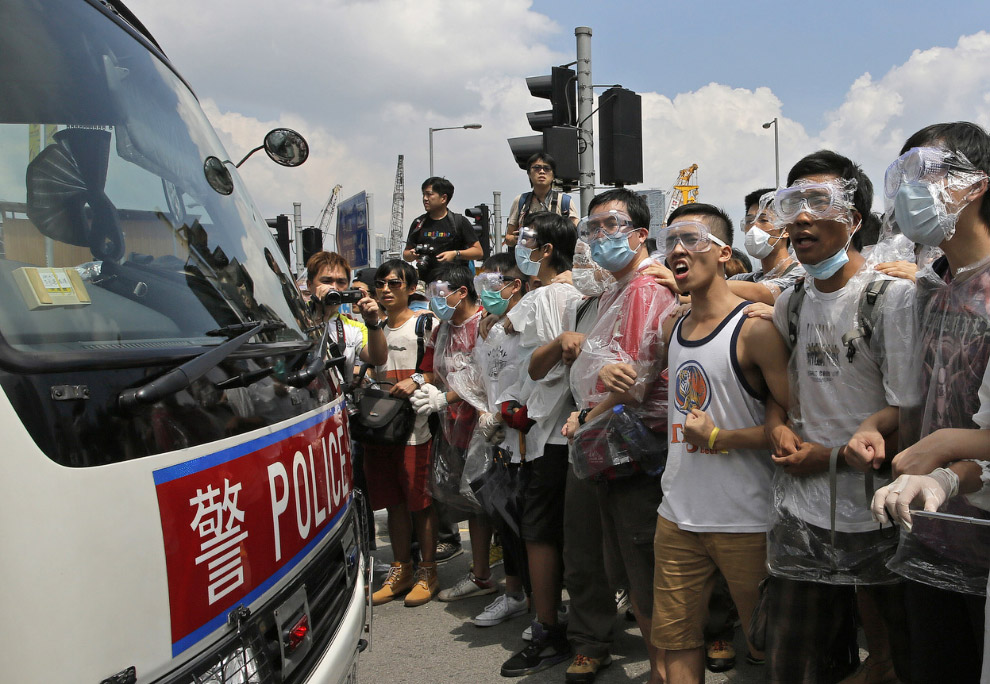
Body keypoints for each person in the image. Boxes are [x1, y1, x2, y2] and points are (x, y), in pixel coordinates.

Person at [599, 203, 789, 684]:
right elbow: (640, 381)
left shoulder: (756, 331)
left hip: (745, 519)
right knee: (675, 642)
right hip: (677, 515)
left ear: (725, 253)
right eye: (672, 242)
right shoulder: (672, 329)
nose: (678, 250)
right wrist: (608, 376)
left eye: (693, 239)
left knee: (768, 643)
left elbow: (795, 429)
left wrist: (720, 437)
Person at [764, 150, 917, 684]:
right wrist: (777, 424)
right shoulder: (791, 303)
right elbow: (779, 389)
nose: (802, 217)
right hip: (803, 509)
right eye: (793, 203)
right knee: (795, 659)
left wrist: (829, 457)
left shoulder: (889, 298)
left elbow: (909, 406)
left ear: (853, 219)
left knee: (897, 654)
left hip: (877, 510)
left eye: (818, 201)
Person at [865, 122, 990, 684]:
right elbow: (921, 393)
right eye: (904, 176)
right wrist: (881, 424)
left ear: (975, 184)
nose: (909, 192)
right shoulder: (929, 287)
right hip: (927, 522)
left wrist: (943, 455)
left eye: (926, 173)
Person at [562, 188, 679, 684]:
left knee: (641, 564)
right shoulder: (613, 290)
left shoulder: (645, 289)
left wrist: (586, 415)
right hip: (608, 436)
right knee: (616, 558)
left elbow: (634, 377)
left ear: (640, 233)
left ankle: (665, 671)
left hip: (634, 441)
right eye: (592, 228)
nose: (599, 236)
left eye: (611, 225)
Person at [497, 211, 582, 678]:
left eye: (526, 240)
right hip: (566, 429)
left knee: (540, 534)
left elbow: (540, 368)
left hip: (549, 433)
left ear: (547, 250)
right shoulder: (575, 292)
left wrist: (521, 405)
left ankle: (547, 628)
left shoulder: (548, 296)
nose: (519, 246)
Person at [530, 239, 618, 683]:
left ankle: (688, 637)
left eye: (593, 257)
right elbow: (537, 367)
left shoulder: (644, 294)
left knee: (641, 548)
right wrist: (563, 341)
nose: (586, 266)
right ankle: (589, 641)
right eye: (583, 257)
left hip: (633, 435)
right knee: (582, 549)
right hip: (583, 437)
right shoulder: (580, 308)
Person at [410, 263, 497, 601]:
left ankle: (507, 579)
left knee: (493, 501)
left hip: (488, 428)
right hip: (456, 429)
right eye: (430, 293)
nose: (434, 299)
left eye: (439, 293)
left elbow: (484, 376)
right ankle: (482, 573)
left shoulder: (487, 325)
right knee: (475, 504)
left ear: (462, 292)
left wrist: (445, 398)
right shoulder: (442, 330)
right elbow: (432, 370)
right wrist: (419, 384)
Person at [365, 260, 440, 607]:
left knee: (419, 501)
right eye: (381, 283)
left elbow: (445, 367)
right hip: (381, 426)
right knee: (393, 499)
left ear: (411, 288)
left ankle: (428, 571)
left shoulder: (426, 324)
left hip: (415, 425)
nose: (386, 289)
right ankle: (401, 569)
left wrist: (418, 379)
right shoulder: (375, 327)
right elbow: (373, 362)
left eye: (394, 283)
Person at [465, 252, 533, 632]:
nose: (486, 294)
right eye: (482, 286)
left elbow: (534, 380)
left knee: (531, 526)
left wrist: (507, 413)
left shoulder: (531, 322)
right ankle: (515, 593)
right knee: (506, 521)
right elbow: (484, 378)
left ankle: (540, 602)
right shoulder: (490, 329)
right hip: (500, 440)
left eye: (492, 285)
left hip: (529, 438)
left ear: (515, 285)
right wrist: (485, 411)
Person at [305, 250, 387, 383]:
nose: (334, 287)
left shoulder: (354, 327)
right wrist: (322, 316)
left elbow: (378, 359)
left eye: (341, 282)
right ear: (310, 285)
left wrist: (373, 322)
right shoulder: (295, 319)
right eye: (326, 281)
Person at [731, 188, 805, 305]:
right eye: (749, 221)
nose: (753, 227)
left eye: (763, 220)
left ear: (786, 229)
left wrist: (717, 287)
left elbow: (767, 292)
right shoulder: (745, 280)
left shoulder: (802, 276)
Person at [403, 177, 483, 284]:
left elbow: (478, 252)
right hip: (427, 283)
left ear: (443, 198)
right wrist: (412, 255)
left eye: (429, 194)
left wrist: (455, 254)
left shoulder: (459, 221)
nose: (425, 198)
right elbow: (406, 254)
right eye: (423, 194)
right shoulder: (419, 223)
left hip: (454, 284)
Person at [503, 153, 580, 248]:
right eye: (536, 168)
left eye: (547, 168)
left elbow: (577, 234)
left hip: (556, 255)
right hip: (528, 255)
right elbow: (508, 238)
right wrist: (519, 238)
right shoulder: (521, 201)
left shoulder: (564, 201)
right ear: (529, 173)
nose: (542, 172)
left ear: (553, 175)